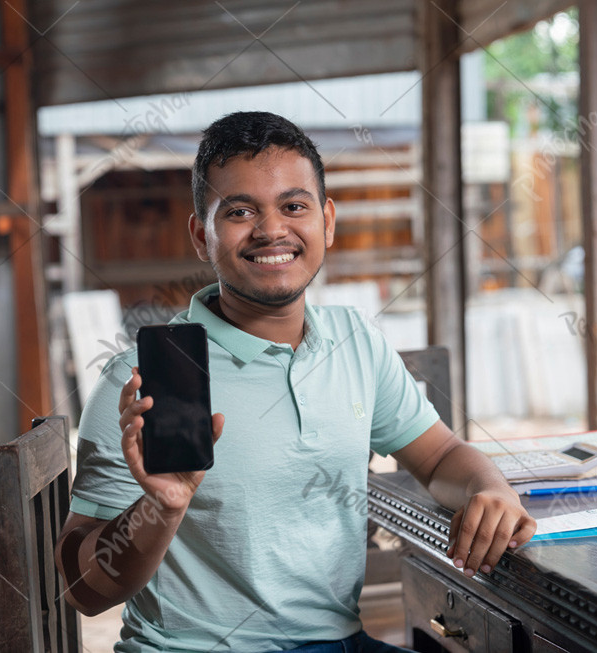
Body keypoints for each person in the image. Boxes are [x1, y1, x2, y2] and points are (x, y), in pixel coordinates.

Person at [54, 111, 536, 652]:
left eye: (293, 206)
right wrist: (160, 509)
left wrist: (488, 487)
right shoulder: (143, 380)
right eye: (239, 211)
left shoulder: (356, 340)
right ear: (200, 235)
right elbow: (81, 591)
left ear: (326, 221)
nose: (272, 230)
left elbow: (441, 454)